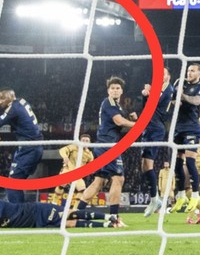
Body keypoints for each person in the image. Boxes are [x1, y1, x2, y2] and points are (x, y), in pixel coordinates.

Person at [76, 77, 136, 225]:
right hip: (107, 146)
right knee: (118, 178)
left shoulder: (117, 106)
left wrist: (133, 119)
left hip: (104, 145)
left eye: (117, 88)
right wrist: (138, 124)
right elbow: (119, 121)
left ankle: (76, 213)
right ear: (108, 91)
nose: (115, 90)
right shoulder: (109, 102)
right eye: (112, 88)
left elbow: (122, 123)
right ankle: (114, 217)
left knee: (98, 182)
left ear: (121, 91)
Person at [0, 88, 44, 203]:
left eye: (2, 98)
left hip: (29, 148)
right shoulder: (22, 101)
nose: (0, 102)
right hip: (32, 146)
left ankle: (18, 210)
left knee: (12, 183)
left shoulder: (13, 108)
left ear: (10, 96)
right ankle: (19, 208)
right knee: (15, 183)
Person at [169, 64, 200, 215]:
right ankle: (181, 195)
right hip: (177, 128)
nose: (189, 73)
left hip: (192, 128)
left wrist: (182, 96)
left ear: (199, 73)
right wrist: (175, 101)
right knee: (176, 163)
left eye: (192, 71)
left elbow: (197, 101)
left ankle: (195, 196)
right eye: (188, 70)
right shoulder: (179, 82)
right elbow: (172, 100)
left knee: (190, 161)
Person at [0, 193, 122, 229]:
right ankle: (108, 225)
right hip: (36, 223)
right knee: (69, 224)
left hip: (37, 210)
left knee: (70, 213)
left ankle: (110, 216)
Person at [140, 67, 175, 217]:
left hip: (155, 128)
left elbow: (154, 103)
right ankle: (154, 199)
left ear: (168, 77)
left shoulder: (167, 87)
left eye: (163, 73)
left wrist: (148, 93)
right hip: (149, 126)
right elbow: (147, 108)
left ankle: (155, 200)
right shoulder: (157, 89)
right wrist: (145, 96)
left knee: (148, 165)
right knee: (144, 166)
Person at [54, 132, 94, 205]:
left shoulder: (89, 154)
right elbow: (62, 150)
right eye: (83, 140)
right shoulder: (74, 147)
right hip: (68, 169)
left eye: (87, 141)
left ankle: (75, 208)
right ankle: (54, 203)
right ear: (80, 141)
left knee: (82, 190)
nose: (84, 142)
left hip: (77, 174)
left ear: (89, 142)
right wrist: (65, 157)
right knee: (62, 185)